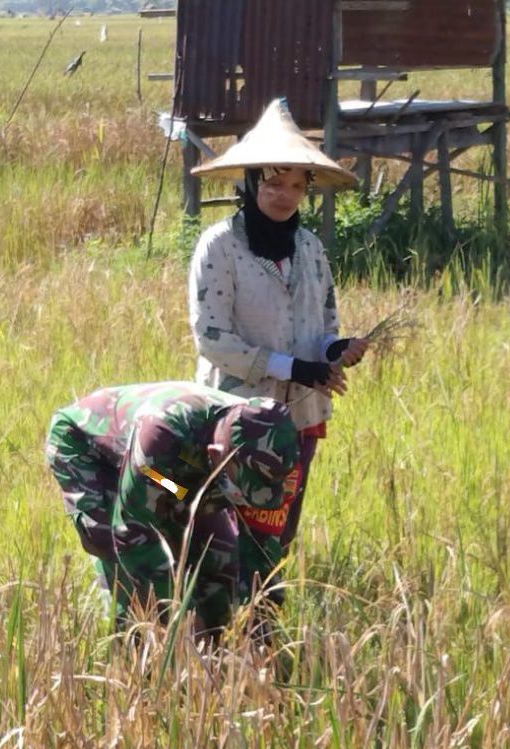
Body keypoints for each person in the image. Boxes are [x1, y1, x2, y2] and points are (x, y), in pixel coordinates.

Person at [186, 99, 369, 603]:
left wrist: (338, 350)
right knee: (229, 527)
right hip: (239, 414)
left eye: (295, 185)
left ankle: (267, 623)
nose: (284, 196)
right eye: (272, 183)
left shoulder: (310, 248)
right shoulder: (219, 246)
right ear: (250, 183)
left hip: (302, 413)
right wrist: (293, 367)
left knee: (280, 527)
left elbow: (323, 324)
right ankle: (222, 622)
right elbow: (212, 337)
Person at [44, 381, 299, 642]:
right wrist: (180, 620)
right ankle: (135, 653)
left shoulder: (277, 454)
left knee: (221, 562)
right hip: (90, 451)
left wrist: (262, 626)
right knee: (123, 567)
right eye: (243, 487)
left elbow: (261, 548)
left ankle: (213, 653)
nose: (249, 498)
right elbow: (132, 534)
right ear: (216, 454)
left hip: (175, 478)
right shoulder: (160, 437)